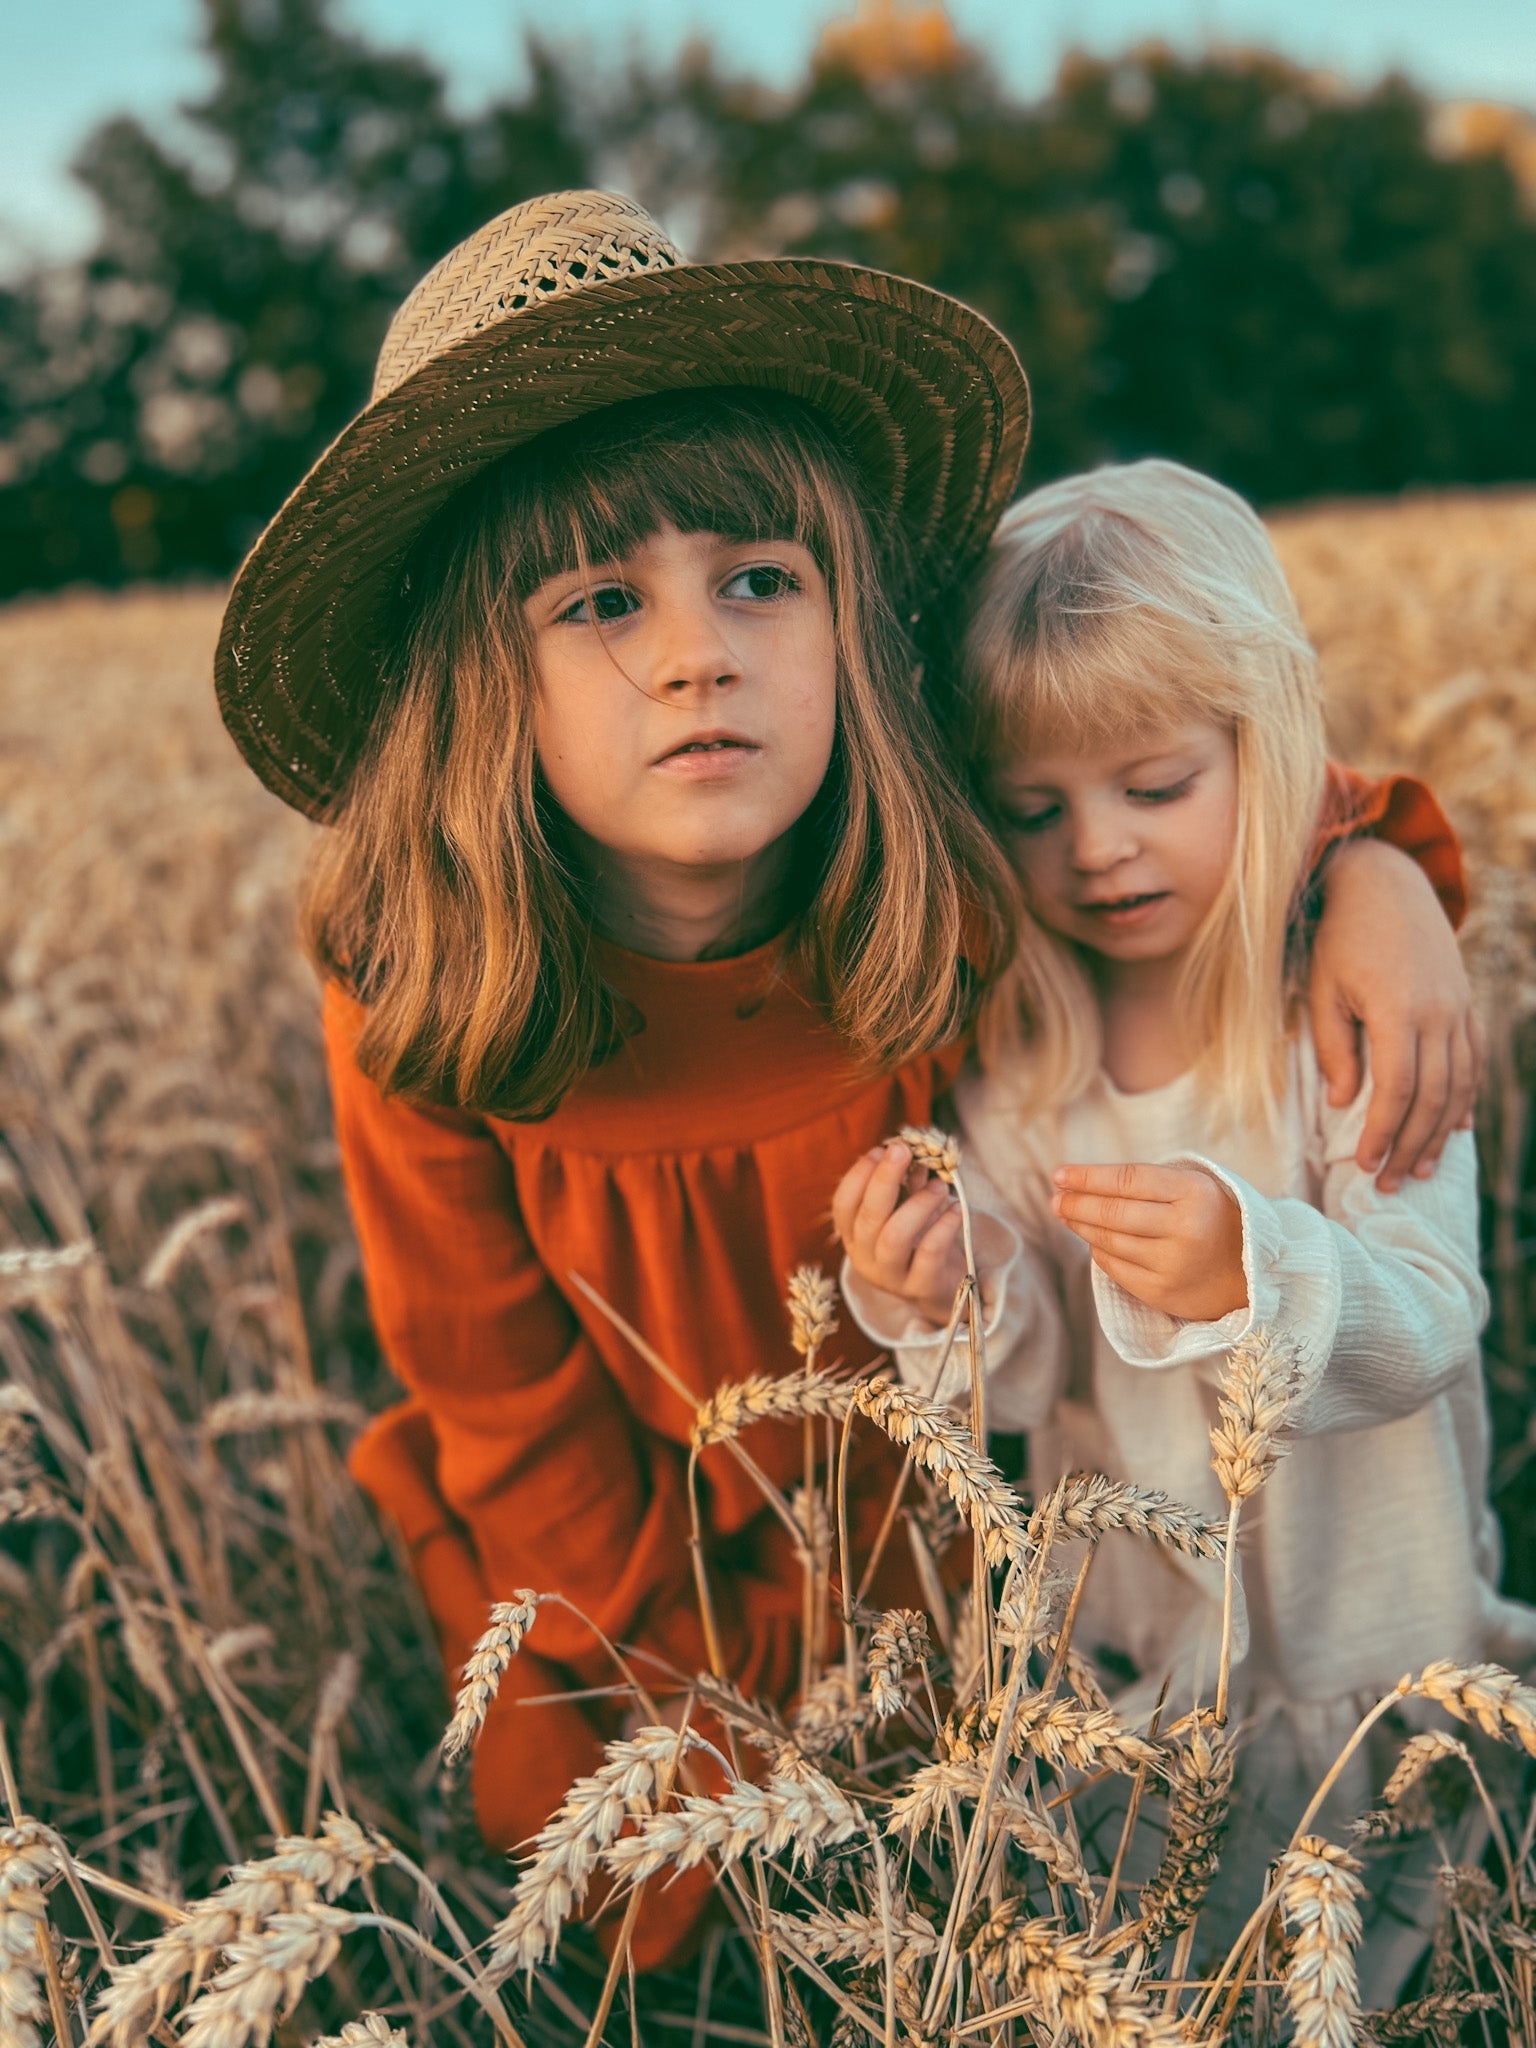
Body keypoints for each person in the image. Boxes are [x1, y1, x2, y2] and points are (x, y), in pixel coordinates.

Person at [215, 192, 1479, 1969]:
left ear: (850, 619)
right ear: (473, 677)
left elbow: (1195, 772)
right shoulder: (422, 991)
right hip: (619, 1566)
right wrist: (705, 1709)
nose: (694, 651)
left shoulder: (934, 857)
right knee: (656, 1893)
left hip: (958, 1530)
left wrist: (1379, 870)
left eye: (757, 577)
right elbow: (497, 1394)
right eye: (598, 601)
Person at [834, 457, 1534, 1990]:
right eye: (1035, 809)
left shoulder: (1340, 1033)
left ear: (1265, 753)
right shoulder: (1025, 1074)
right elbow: (1014, 1396)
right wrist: (942, 1290)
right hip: (1165, 1694)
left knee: (1425, 1987)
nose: (1098, 847)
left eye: (1156, 788)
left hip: (1383, 1664)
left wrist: (1255, 1266)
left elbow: (1429, 1321)